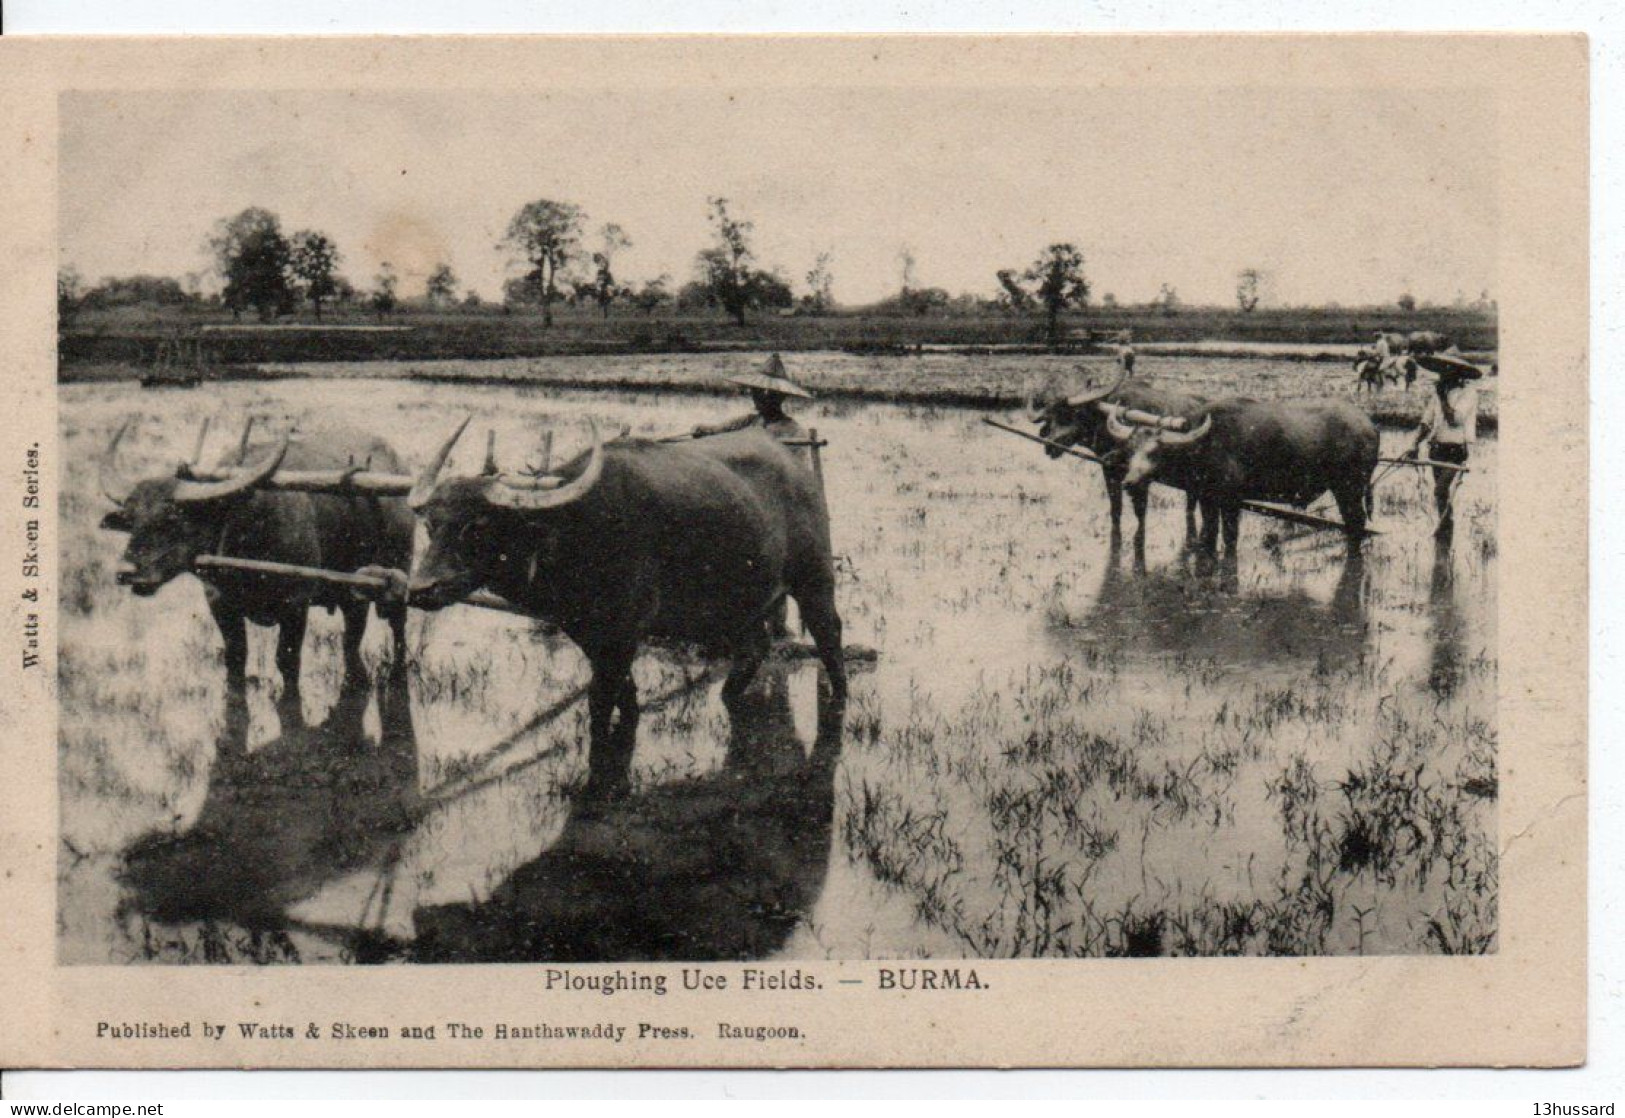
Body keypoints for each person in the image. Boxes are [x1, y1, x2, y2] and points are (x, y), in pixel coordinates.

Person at [1403, 352, 1483, 543]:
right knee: (1442, 494)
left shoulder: (1468, 394)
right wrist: (1414, 444)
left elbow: (1456, 420)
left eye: (1446, 370)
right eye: (1441, 371)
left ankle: (1445, 527)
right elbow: (1427, 421)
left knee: (1440, 490)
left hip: (1456, 449)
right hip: (1437, 448)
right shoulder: (1438, 394)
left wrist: (1442, 397)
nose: (1442, 375)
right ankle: (1446, 528)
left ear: (1457, 373)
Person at [690, 353, 814, 442]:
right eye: (755, 393)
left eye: (770, 396)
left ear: (780, 398)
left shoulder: (794, 432)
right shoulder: (750, 420)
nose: (756, 399)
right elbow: (719, 429)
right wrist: (702, 429)